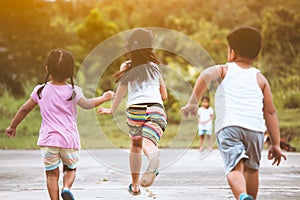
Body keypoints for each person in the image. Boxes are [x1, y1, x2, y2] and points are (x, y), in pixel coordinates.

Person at [181, 26, 286, 200]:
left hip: (229, 127)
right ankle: (249, 197)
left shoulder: (224, 69)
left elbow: (206, 74)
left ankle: (242, 196)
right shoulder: (260, 78)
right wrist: (275, 144)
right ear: (256, 55)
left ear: (232, 53)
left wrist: (193, 101)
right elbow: (270, 112)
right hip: (255, 130)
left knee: (234, 167)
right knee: (252, 169)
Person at [5, 49, 114, 200]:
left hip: (49, 140)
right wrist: (104, 97)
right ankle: (67, 188)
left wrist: (12, 126)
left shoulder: (40, 90)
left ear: (47, 68)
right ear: (70, 71)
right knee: (70, 168)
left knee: (51, 173)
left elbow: (24, 109)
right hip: (69, 140)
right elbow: (87, 104)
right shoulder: (73, 91)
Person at [98, 28, 167, 195]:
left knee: (135, 145)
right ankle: (153, 158)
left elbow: (121, 91)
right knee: (148, 143)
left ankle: (135, 185)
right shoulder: (155, 68)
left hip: (135, 110)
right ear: (149, 47)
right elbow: (164, 95)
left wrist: (111, 110)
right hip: (156, 108)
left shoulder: (127, 66)